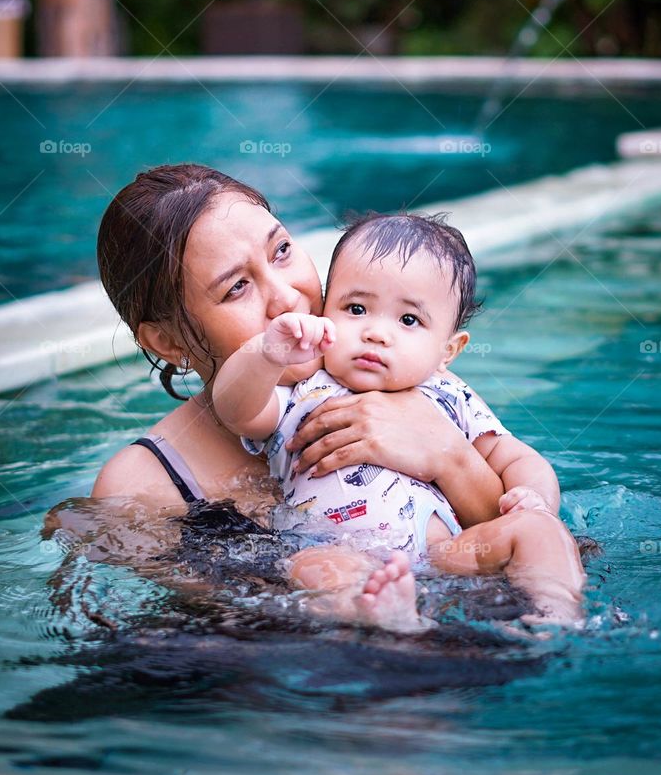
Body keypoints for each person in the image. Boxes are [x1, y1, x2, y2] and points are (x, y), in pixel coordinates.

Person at [45, 164, 536, 626]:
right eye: (237, 287)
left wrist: (448, 456)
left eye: (281, 251)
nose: (286, 296)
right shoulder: (148, 484)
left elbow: (519, 541)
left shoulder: (400, 373)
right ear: (169, 342)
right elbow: (243, 635)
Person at [213, 212, 585, 629]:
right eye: (355, 308)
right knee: (311, 566)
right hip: (342, 550)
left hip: (447, 551)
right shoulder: (302, 389)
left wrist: (533, 498)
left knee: (540, 532)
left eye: (408, 320)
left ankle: (555, 614)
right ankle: (381, 613)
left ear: (448, 350)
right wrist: (265, 355)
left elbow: (518, 458)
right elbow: (235, 410)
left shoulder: (448, 392)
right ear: (324, 307)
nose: (376, 332)